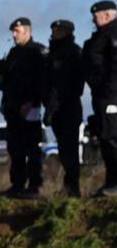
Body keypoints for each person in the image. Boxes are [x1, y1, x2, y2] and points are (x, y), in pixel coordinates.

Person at [0, 17, 47, 197]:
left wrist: (32, 101)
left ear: (27, 31)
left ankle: (34, 186)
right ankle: (17, 185)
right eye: (13, 32)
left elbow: (41, 81)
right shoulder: (13, 53)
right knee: (15, 149)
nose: (14, 35)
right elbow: (8, 82)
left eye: (17, 31)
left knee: (32, 147)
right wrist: (0, 73)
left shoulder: (37, 52)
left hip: (30, 106)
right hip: (12, 106)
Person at [45, 20, 84, 198]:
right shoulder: (51, 54)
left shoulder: (73, 52)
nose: (54, 33)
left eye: (58, 30)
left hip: (68, 106)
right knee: (63, 149)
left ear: (67, 32)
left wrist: (58, 101)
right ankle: (69, 187)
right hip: (55, 108)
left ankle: (73, 188)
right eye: (53, 30)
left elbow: (75, 84)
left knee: (70, 150)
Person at [83, 0, 117, 196]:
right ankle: (111, 181)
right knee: (105, 138)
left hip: (112, 96)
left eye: (96, 16)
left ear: (107, 15)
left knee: (113, 137)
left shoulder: (113, 35)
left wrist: (110, 93)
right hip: (101, 96)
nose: (93, 20)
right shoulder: (100, 37)